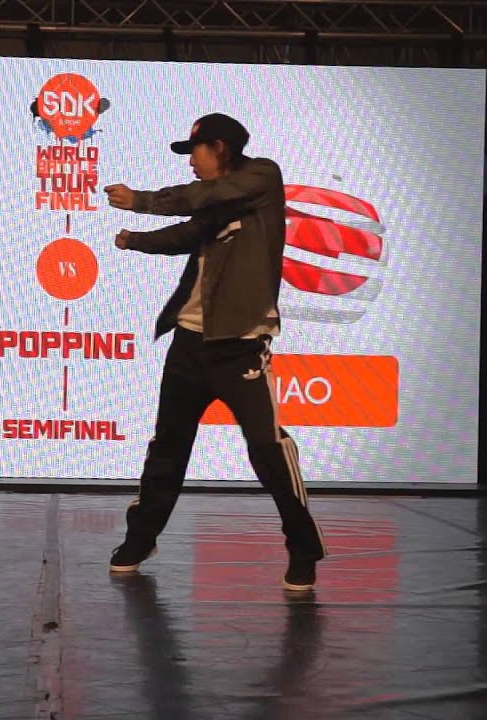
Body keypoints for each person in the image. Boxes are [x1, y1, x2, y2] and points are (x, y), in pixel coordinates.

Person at [103, 113, 327, 591]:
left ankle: (303, 546)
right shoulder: (214, 200)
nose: (191, 162)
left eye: (195, 152)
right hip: (189, 342)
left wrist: (140, 201)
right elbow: (187, 234)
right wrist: (135, 241)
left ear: (220, 148)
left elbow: (201, 197)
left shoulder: (260, 177)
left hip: (240, 345)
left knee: (268, 447)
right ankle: (142, 537)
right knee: (167, 447)